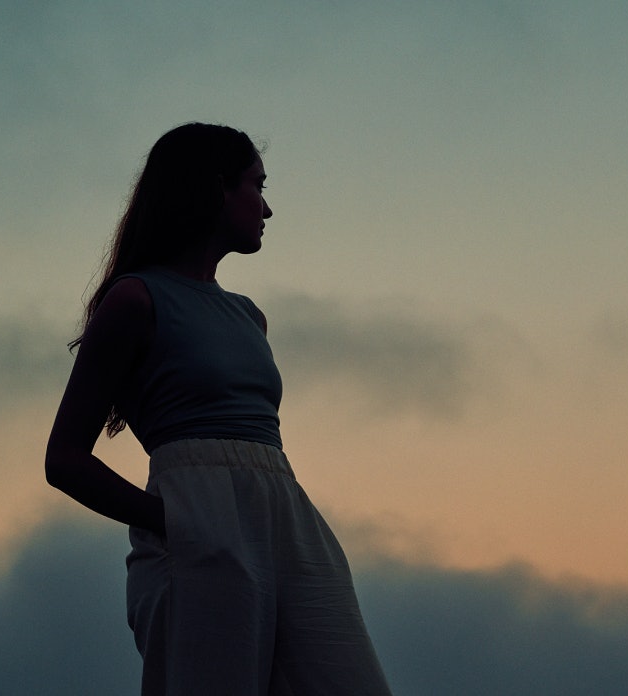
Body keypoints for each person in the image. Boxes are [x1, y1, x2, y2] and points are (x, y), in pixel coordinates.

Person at [45, 123, 392, 696]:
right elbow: (64, 459)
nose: (268, 207)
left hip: (287, 515)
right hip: (196, 521)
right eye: (257, 185)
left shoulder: (250, 316)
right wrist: (176, 524)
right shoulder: (134, 299)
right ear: (215, 189)